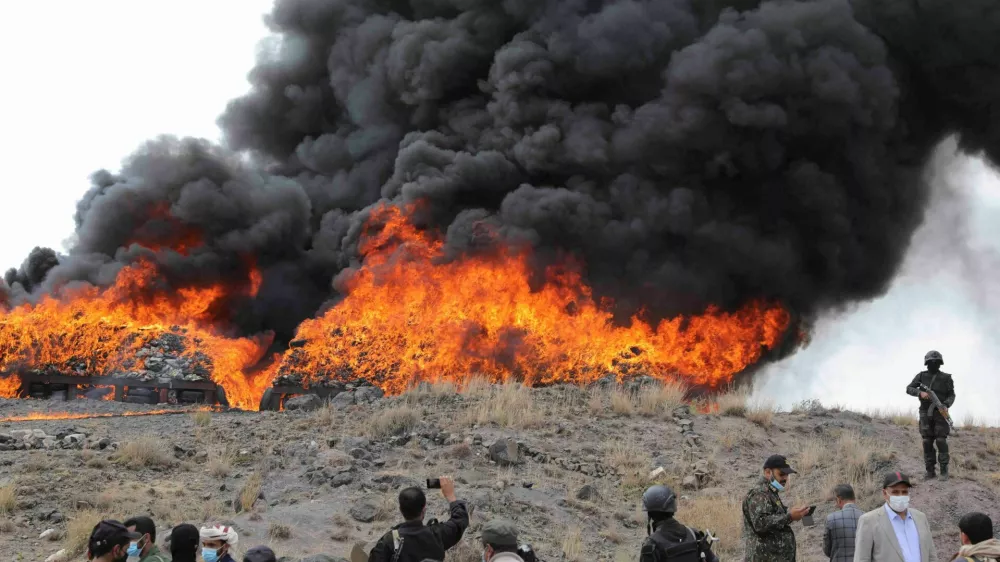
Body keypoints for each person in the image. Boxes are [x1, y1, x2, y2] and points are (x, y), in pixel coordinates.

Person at [367, 476, 470, 562]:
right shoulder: (438, 535)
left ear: (401, 509)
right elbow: (460, 520)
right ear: (424, 509)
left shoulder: (389, 541)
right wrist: (451, 496)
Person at [854, 471, 937, 562]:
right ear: (885, 493)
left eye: (904, 492)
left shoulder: (920, 518)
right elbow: (862, 559)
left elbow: (931, 555)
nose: (900, 496)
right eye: (895, 492)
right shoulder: (869, 521)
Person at [743, 454, 811, 562]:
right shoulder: (759, 493)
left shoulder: (770, 492)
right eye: (782, 474)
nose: (785, 478)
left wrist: (794, 514)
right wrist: (790, 517)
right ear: (768, 472)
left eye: (787, 475)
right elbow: (761, 523)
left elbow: (774, 519)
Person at [906, 350, 956, 480]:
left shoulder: (946, 378)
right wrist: (919, 393)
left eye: (936, 362)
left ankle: (944, 471)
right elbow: (909, 388)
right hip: (925, 413)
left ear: (940, 363)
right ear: (927, 363)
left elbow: (952, 395)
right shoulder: (921, 376)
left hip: (940, 412)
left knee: (941, 440)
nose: (933, 365)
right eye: (931, 362)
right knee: (927, 441)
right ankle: (930, 472)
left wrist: (946, 404)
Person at [639, 484, 718, 562]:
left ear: (650, 514)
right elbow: (714, 560)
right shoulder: (693, 534)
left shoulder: (651, 545)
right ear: (672, 509)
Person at [823, 484, 862, 562]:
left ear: (839, 499)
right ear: (854, 499)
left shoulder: (831, 518)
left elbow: (827, 549)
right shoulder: (867, 517)